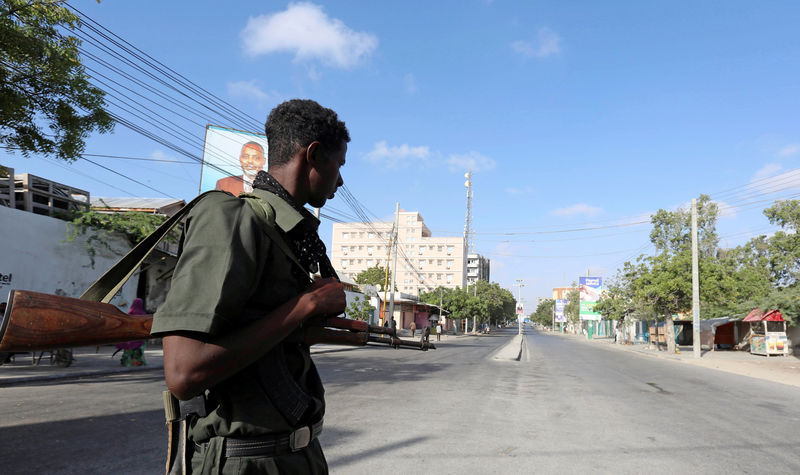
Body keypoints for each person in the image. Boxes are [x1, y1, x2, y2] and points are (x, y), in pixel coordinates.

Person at [152, 99, 349, 474]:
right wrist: (306, 306)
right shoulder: (230, 218)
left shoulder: (287, 234)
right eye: (338, 166)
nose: (339, 180)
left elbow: (264, 340)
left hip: (294, 455)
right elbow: (184, 373)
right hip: (246, 462)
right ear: (314, 155)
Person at [115, 298, 147, 366]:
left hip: (130, 338)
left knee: (128, 350)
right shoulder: (143, 314)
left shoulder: (130, 313)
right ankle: (138, 362)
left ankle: (127, 362)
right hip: (140, 338)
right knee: (138, 352)